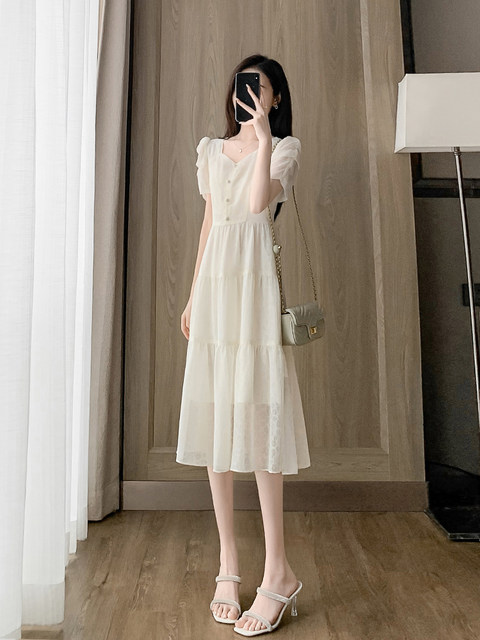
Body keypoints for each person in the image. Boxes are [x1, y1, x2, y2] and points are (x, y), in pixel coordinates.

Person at [176, 54, 310, 636]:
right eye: (243, 87)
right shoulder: (210, 150)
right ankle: (228, 563)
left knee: (259, 419)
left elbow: (257, 205)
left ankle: (277, 570)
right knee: (216, 418)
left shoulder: (284, 148)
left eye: (262, 89)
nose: (251, 95)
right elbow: (210, 224)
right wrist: (191, 296)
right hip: (215, 291)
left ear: (275, 98)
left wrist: (261, 136)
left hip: (253, 293)